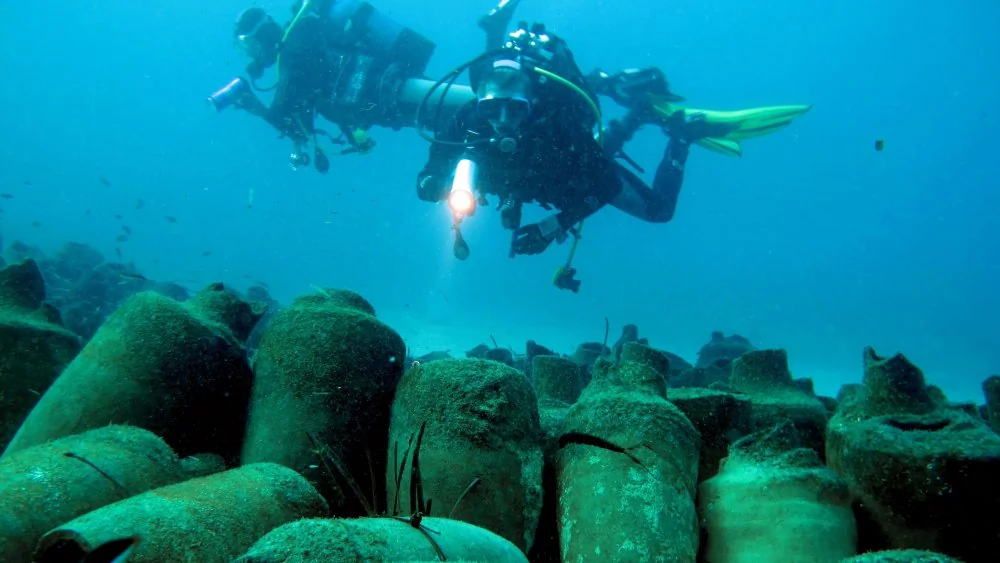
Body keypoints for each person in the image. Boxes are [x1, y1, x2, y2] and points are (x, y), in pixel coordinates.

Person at [415, 20, 810, 291]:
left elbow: (602, 182)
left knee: (658, 211)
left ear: (530, 103)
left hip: (567, 170)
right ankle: (639, 111)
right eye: (492, 109)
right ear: (479, 105)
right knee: (592, 158)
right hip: (547, 176)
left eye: (515, 109)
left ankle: (681, 134)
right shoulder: (465, 121)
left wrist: (553, 226)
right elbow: (428, 173)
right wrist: (438, 186)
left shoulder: (556, 123)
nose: (503, 121)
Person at [207, 0, 521, 174]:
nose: (251, 55)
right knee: (466, 114)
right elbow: (319, 98)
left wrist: (251, 102)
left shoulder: (293, 50)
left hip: (388, 93)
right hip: (387, 91)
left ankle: (498, 42)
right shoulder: (305, 36)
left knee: (477, 108)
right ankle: (508, 92)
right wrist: (352, 133)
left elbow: (287, 118)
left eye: (248, 46)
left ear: (260, 36)